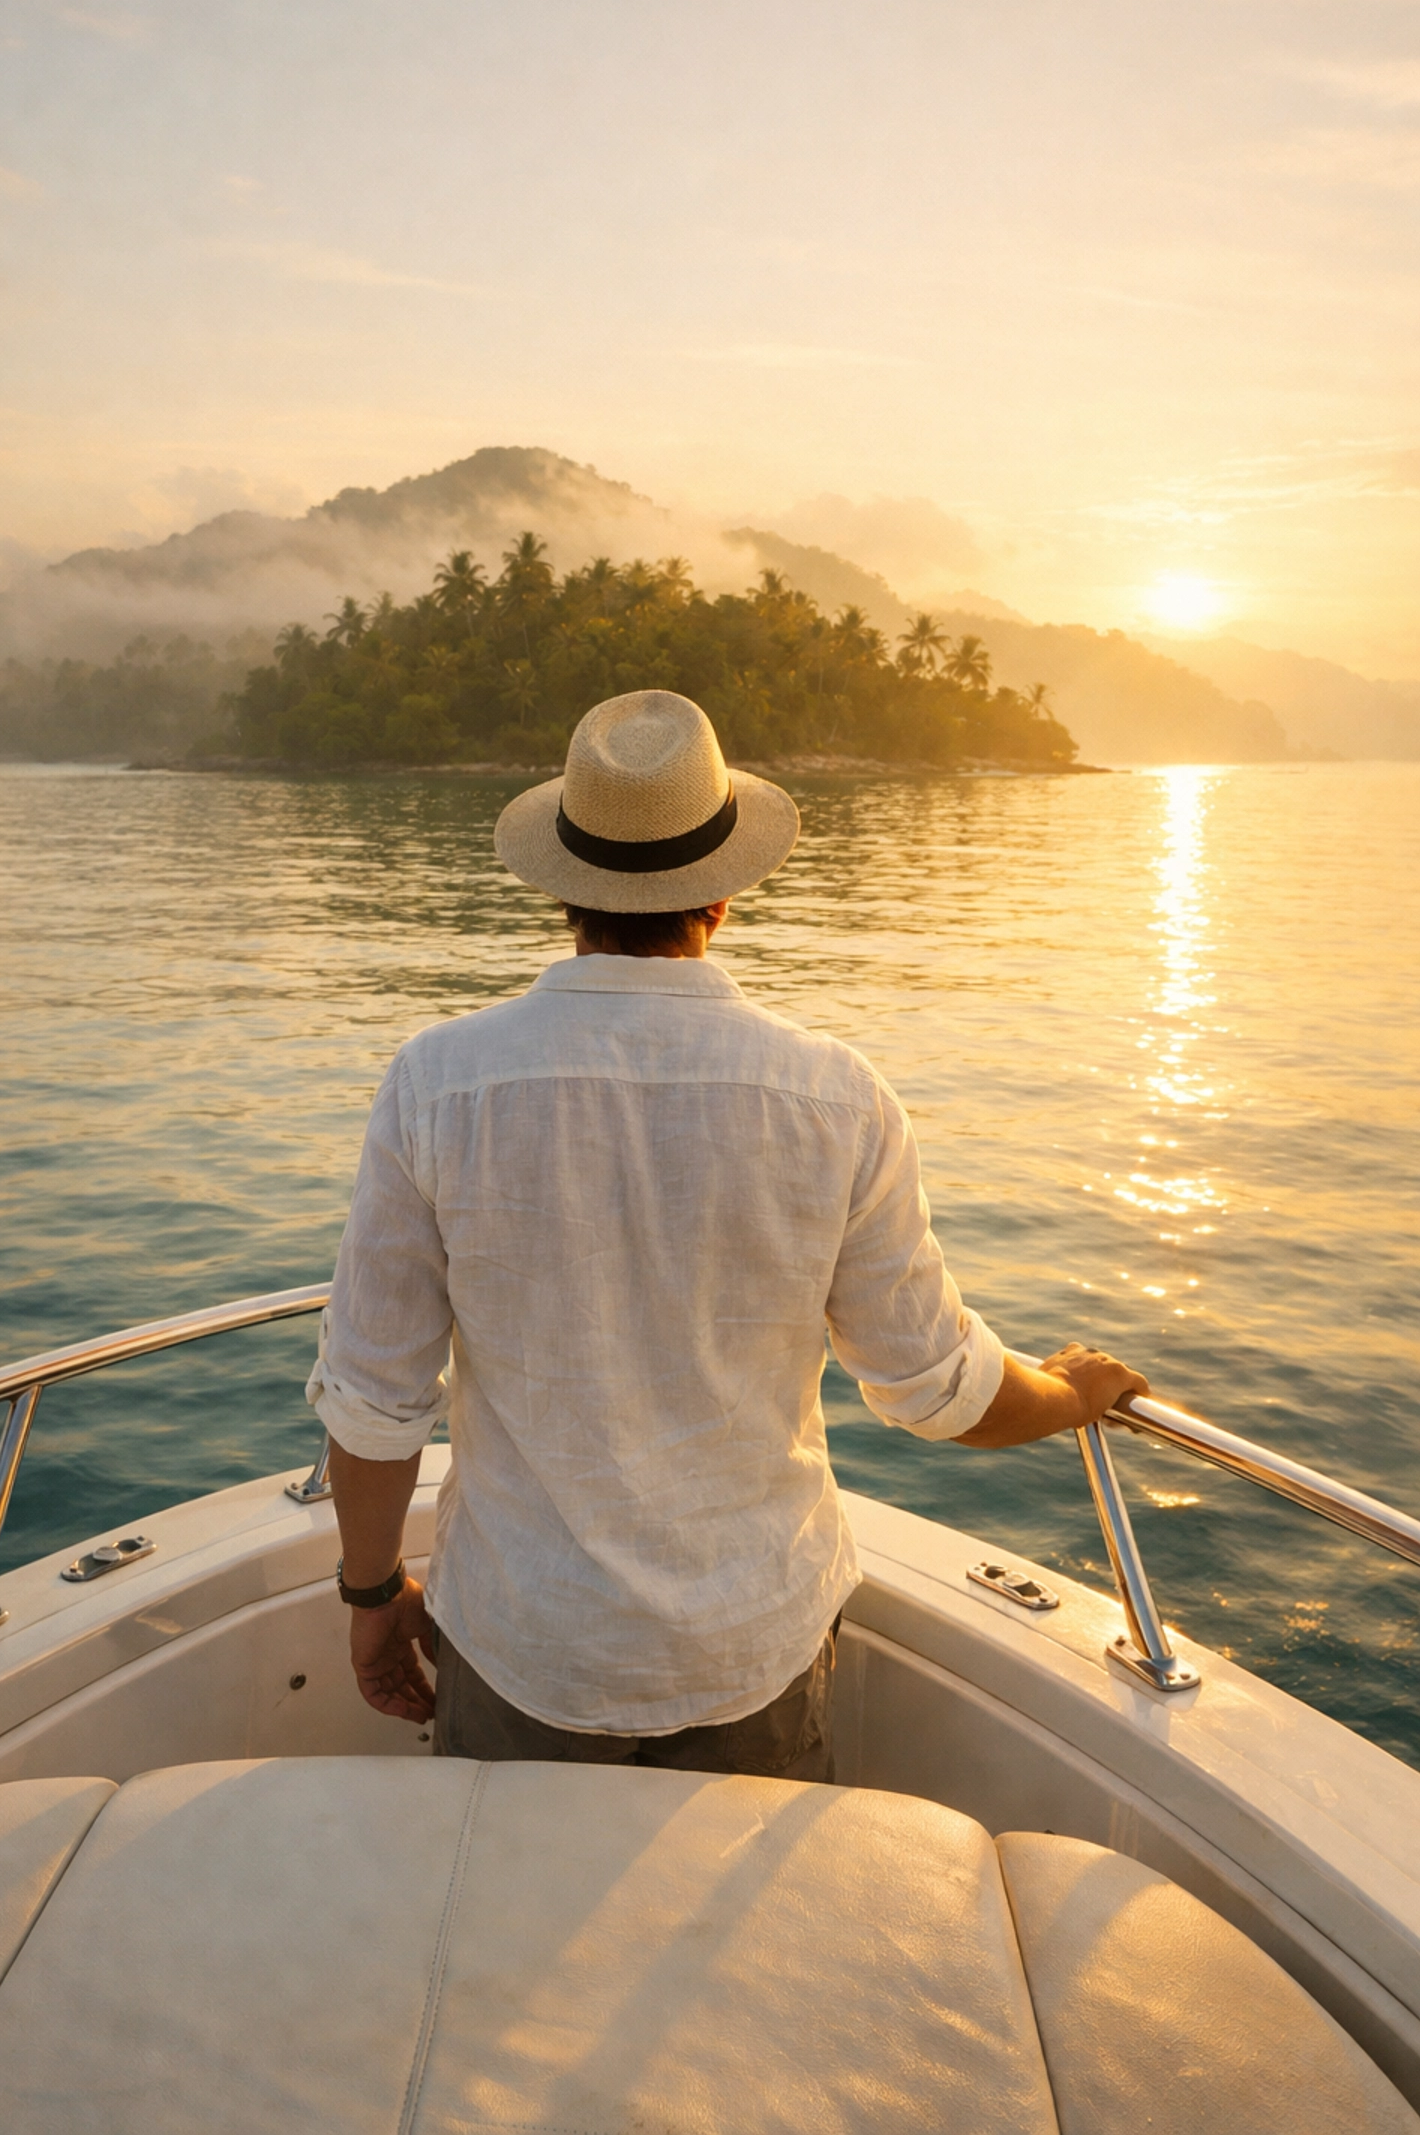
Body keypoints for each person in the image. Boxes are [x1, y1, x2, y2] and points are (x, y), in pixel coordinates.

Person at [308, 687, 1146, 1776]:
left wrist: (374, 1596)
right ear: (727, 893)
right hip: (752, 1638)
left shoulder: (440, 1083)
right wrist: (1071, 1394)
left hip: (526, 1639)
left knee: (515, 1939)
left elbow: (376, 1405)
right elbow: (937, 1388)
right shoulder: (838, 1097)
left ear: (564, 890)